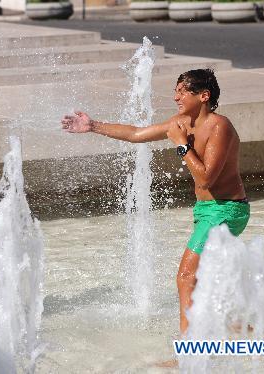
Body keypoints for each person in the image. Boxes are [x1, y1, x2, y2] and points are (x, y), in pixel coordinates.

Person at [61, 69, 250, 335]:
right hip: (206, 209)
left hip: (226, 210)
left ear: (204, 96)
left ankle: (188, 353)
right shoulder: (181, 122)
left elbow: (206, 178)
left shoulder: (220, 127)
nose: (176, 97)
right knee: (206, 276)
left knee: (186, 277)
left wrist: (182, 145)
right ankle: (243, 329)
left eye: (183, 91)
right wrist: (93, 126)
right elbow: (137, 134)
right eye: (176, 90)